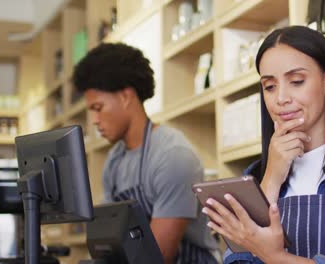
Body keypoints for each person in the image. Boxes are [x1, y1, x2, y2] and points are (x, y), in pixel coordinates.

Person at [202, 26, 325, 263]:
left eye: (296, 81)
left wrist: (274, 256)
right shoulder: (254, 176)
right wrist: (270, 181)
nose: (281, 98)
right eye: (269, 86)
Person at [72, 43, 219, 264]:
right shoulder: (114, 160)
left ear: (125, 96)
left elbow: (157, 257)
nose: (93, 121)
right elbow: (108, 242)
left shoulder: (173, 156)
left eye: (98, 108)